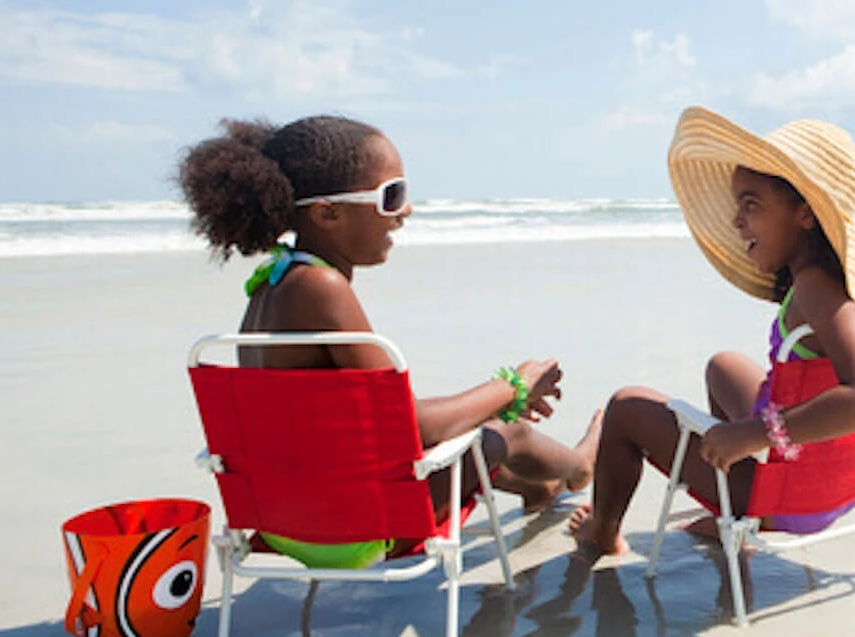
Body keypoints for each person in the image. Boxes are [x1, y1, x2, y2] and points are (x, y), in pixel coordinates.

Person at [178, 115, 601, 563]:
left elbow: (369, 424)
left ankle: (540, 487)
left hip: (280, 525)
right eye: (391, 195)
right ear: (327, 213)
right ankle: (580, 471)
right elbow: (410, 428)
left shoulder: (271, 284)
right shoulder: (322, 288)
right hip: (357, 532)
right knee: (507, 432)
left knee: (462, 428)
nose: (406, 210)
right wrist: (512, 387)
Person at [570, 107, 855, 556]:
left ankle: (603, 533)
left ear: (805, 214)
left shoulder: (817, 292)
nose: (736, 222)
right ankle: (726, 515)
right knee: (723, 367)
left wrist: (755, 435)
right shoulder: (853, 294)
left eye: (751, 206)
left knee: (625, 406)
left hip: (795, 497)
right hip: (848, 482)